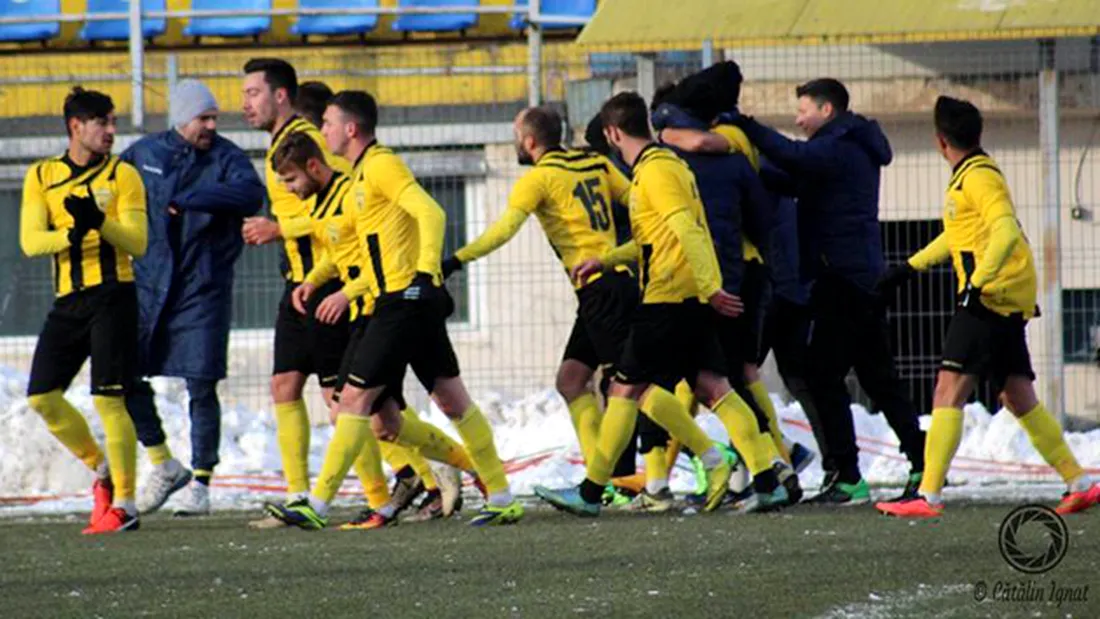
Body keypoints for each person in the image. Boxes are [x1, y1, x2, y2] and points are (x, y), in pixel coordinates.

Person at [264, 89, 523, 529]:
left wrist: (423, 276)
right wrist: (316, 278)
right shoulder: (359, 176)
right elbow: (352, 243)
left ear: (350, 128)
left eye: (327, 121)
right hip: (399, 302)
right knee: (450, 400)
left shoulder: (381, 165)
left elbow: (432, 212)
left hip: (399, 303)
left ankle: (318, 504)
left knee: (354, 402)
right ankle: (500, 494)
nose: (321, 129)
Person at [534, 92, 788, 518]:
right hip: (685, 296)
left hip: (668, 298)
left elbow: (686, 229)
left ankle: (592, 492)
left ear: (613, 134)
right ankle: (767, 479)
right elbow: (659, 236)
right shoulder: (670, 166)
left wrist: (711, 287)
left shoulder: (654, 172)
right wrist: (608, 258)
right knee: (716, 389)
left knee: (623, 388)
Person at [876, 97, 1100, 518]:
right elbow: (959, 235)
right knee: (1017, 396)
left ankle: (929, 495)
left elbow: (1004, 232)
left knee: (947, 389)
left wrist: (977, 284)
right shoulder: (971, 175)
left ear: (940, 141)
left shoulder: (978, 178)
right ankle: (1079, 481)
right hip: (1002, 297)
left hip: (990, 298)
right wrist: (908, 268)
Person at [726, 78, 926, 504]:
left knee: (821, 374)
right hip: (855, 279)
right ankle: (922, 463)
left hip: (844, 282)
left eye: (803, 111)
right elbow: (792, 178)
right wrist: (744, 165)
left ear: (826, 110)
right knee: (878, 378)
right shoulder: (845, 148)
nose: (798, 119)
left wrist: (746, 127)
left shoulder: (840, 146)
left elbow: (794, 157)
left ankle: (848, 475)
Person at [441, 106, 638, 495]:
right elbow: (637, 198)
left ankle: (638, 476)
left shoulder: (540, 178)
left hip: (602, 288)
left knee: (631, 387)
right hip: (609, 284)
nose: (516, 141)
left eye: (517, 135)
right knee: (571, 380)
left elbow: (503, 231)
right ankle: (607, 477)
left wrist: (456, 259)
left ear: (530, 141)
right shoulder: (593, 161)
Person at [121, 79, 265, 517]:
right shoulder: (143, 154)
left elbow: (250, 194)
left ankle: (202, 481)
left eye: (214, 118)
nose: (210, 125)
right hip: (148, 286)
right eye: (203, 118)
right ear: (181, 119)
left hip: (202, 288)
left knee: (201, 384)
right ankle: (163, 462)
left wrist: (190, 199)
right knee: (125, 375)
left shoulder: (226, 157)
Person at [20, 87, 147, 534]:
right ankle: (102, 470)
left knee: (109, 399)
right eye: (103, 123)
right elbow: (31, 241)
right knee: (41, 396)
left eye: (113, 122)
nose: (112, 131)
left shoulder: (124, 176)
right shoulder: (42, 175)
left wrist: (100, 222)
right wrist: (71, 236)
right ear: (77, 126)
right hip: (68, 301)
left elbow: (138, 242)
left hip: (114, 295)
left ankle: (127, 506)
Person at [238, 57, 353, 528]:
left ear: (280, 95)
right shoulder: (277, 146)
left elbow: (337, 207)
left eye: (252, 94)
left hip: (330, 283)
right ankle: (297, 494)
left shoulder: (306, 144)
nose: (244, 103)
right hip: (299, 286)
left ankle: (413, 478)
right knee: (284, 387)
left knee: (346, 401)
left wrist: (278, 226)